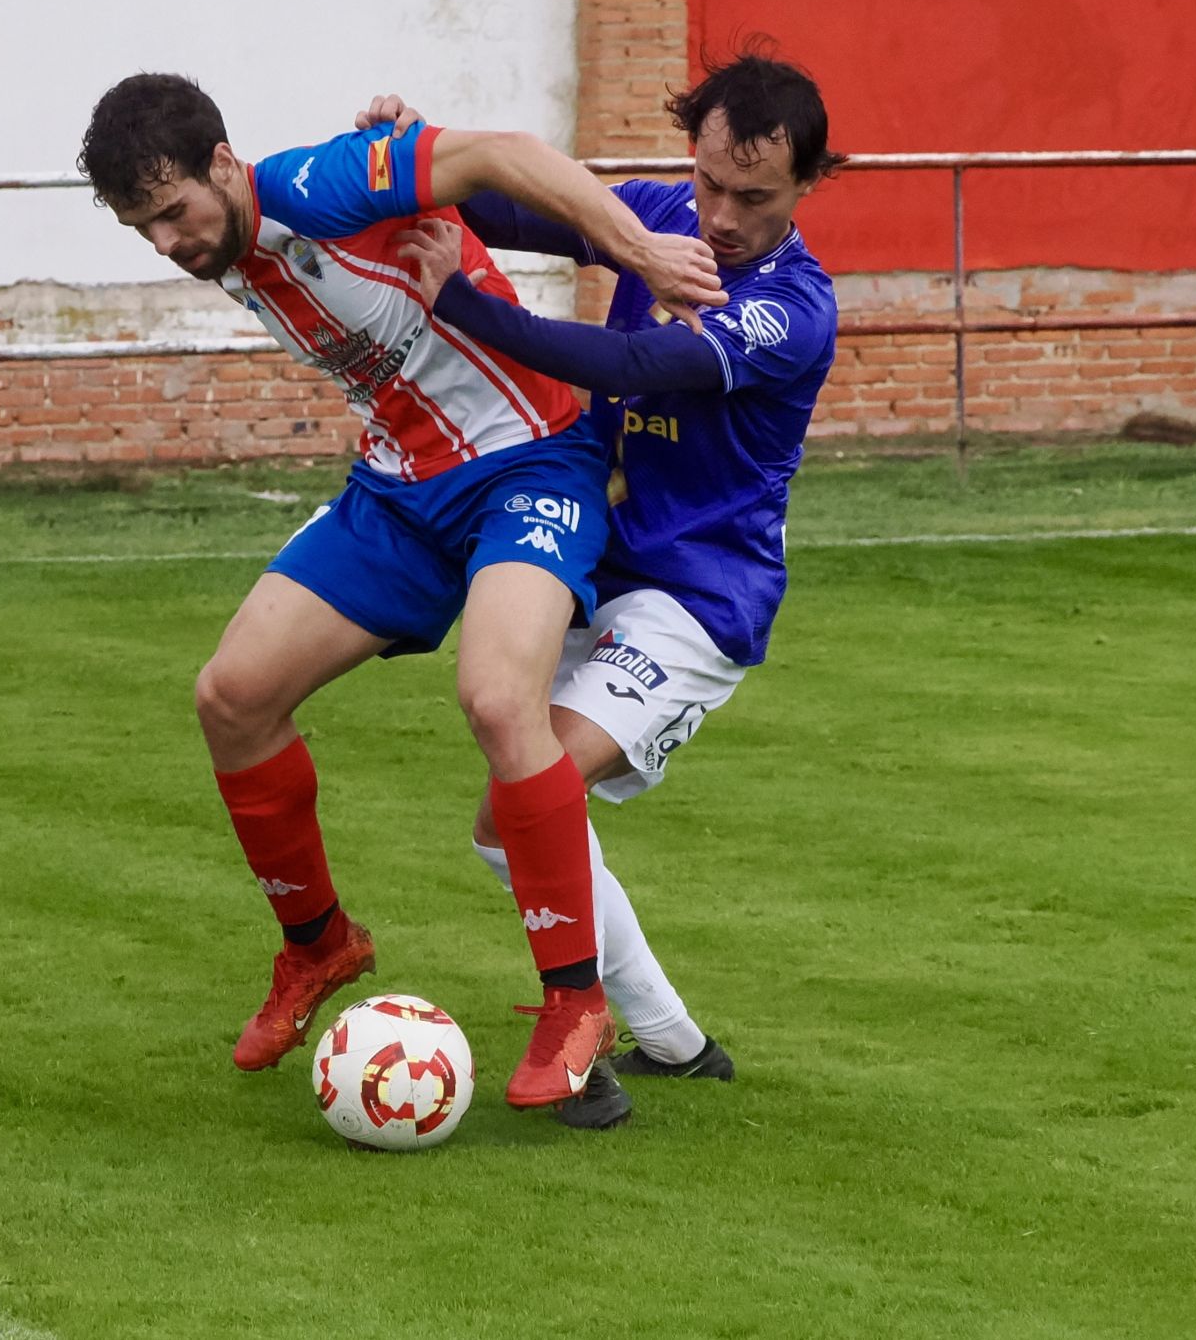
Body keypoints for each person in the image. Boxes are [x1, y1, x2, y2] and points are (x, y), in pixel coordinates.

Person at [76, 73, 725, 1115]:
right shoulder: (231, 240)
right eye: (139, 228)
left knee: (500, 699)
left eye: (173, 212)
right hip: (399, 490)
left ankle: (575, 1000)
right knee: (231, 696)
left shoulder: (317, 187)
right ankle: (319, 944)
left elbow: (502, 153)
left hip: (529, 463)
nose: (164, 244)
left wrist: (640, 251)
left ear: (225, 167)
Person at [366, 51, 843, 1110]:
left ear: (809, 185)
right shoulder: (658, 213)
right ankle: (669, 1041)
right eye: (709, 181)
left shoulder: (793, 307)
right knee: (513, 815)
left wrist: (468, 308)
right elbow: (511, 211)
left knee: (524, 797)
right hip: (603, 562)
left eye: (752, 196)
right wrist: (412, 157)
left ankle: (588, 1029)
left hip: (697, 601)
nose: (717, 214)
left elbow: (634, 367)